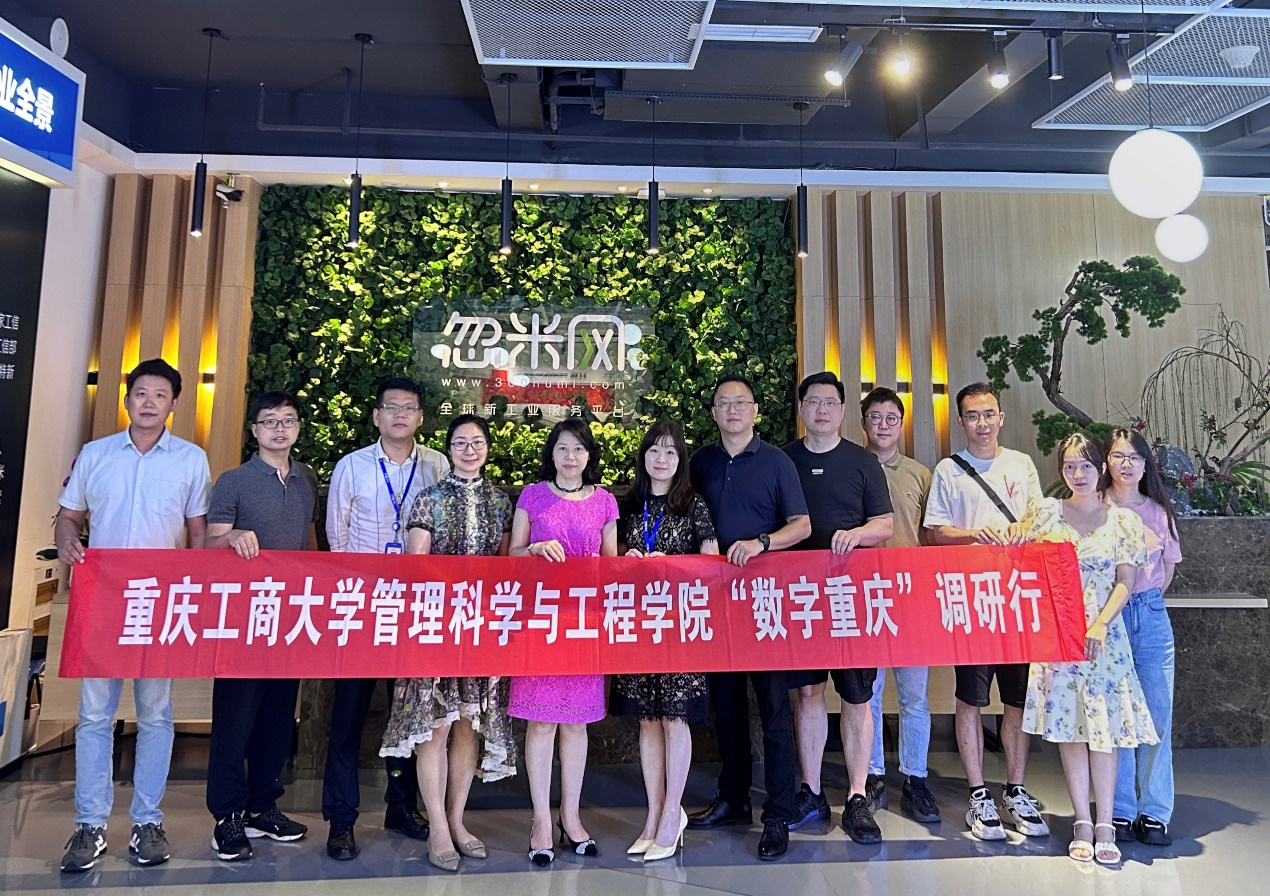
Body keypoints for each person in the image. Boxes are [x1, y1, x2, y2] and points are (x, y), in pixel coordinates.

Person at [54, 359, 211, 872]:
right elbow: (69, 517)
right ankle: (90, 825)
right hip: (103, 600)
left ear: (174, 404)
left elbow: (197, 532)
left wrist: (193, 592)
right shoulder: (95, 454)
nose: (149, 402)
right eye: (141, 393)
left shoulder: (191, 459)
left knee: (156, 714)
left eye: (160, 395)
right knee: (94, 715)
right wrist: (67, 541)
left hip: (160, 604)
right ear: (127, 399)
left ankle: (147, 821)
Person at [379, 414, 518, 873]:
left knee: (466, 725)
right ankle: (437, 826)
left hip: (480, 628)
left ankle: (457, 820)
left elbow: (504, 567)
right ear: (449, 449)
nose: (469, 450)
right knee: (435, 726)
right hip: (435, 625)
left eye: (477, 442)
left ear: (487, 447)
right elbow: (415, 564)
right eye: (460, 443)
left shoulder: (500, 501)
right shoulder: (430, 498)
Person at [322, 377, 450, 859]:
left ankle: (401, 807)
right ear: (376, 416)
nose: (400, 414)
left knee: (409, 715)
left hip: (416, 608)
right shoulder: (351, 466)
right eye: (391, 407)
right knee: (348, 716)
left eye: (409, 407)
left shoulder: (437, 465)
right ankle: (341, 819)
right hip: (362, 605)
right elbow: (337, 539)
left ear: (420, 417)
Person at [687, 374, 811, 861]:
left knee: (774, 709)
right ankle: (733, 798)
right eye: (724, 403)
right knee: (727, 706)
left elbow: (801, 526)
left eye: (741, 403)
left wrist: (762, 543)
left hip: (765, 604)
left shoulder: (777, 461)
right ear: (714, 413)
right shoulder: (701, 462)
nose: (733, 410)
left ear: (755, 410)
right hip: (715, 603)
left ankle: (778, 813)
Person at [1021, 432, 1158, 865]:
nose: (1077, 474)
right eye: (1069, 466)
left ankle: (1105, 823)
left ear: (1101, 467)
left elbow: (1126, 581)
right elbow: (1022, 561)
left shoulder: (1123, 521)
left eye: (1085, 465)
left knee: (1104, 733)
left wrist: (1100, 623)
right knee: (1070, 730)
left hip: (1105, 640)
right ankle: (1081, 819)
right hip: (1058, 640)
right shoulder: (1046, 514)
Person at [923, 382, 1050, 841]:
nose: (982, 423)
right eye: (973, 415)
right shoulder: (948, 470)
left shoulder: (1021, 463)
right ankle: (978, 794)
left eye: (989, 414)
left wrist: (1021, 530)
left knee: (1017, 699)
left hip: (1017, 599)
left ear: (1001, 417)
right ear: (961, 421)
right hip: (971, 600)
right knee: (970, 698)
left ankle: (1015, 789)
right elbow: (934, 532)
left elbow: (1040, 519)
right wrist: (975, 535)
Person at [204, 392, 319, 861]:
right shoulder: (233, 480)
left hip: (291, 618)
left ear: (297, 428)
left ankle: (262, 807)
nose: (279, 429)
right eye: (270, 421)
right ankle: (227, 815)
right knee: (236, 718)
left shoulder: (307, 479)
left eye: (288, 420)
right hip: (243, 620)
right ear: (254, 430)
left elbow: (309, 543)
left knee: (277, 715)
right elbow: (209, 545)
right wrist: (231, 536)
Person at [782, 372, 893, 844]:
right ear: (801, 409)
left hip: (852, 597)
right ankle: (810, 791)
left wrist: (857, 534)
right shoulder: (783, 460)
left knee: (857, 696)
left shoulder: (863, 462)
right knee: (808, 693)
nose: (822, 410)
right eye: (813, 402)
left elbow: (885, 524)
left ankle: (857, 795)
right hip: (801, 598)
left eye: (830, 402)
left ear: (844, 411)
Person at [508, 418, 619, 866]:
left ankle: (570, 817)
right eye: (562, 448)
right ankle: (540, 820)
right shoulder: (532, 496)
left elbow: (612, 567)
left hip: (585, 625)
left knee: (576, 723)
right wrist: (533, 551)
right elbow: (512, 556)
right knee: (540, 723)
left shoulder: (605, 501)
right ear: (551, 454)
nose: (570, 456)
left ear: (589, 455)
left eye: (578, 448)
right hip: (540, 622)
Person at [613, 420, 719, 863]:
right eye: (654, 450)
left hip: (679, 626)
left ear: (681, 461)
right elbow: (609, 559)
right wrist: (628, 558)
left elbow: (712, 564)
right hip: (639, 625)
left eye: (670, 452)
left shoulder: (694, 504)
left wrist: (671, 564)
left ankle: (673, 815)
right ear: (643, 457)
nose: (661, 459)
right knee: (647, 721)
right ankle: (654, 814)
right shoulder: (628, 505)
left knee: (675, 720)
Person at [860, 387, 940, 824]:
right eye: (875, 417)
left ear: (902, 423)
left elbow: (931, 535)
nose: (884, 425)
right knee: (868, 695)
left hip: (911, 597)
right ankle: (872, 775)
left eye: (892, 417)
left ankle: (916, 779)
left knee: (914, 695)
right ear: (863, 423)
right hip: (864, 595)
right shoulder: (852, 468)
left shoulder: (920, 474)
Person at [1103, 427, 1182, 847]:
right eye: (1118, 456)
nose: (1127, 464)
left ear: (1145, 464)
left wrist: (1143, 600)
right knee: (1115, 714)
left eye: (1135, 457)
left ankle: (1154, 810)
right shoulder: (1095, 506)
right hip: (1107, 617)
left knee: (1156, 713)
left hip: (1150, 614)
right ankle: (1119, 809)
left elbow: (1166, 569)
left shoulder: (1158, 512)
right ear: (1106, 462)